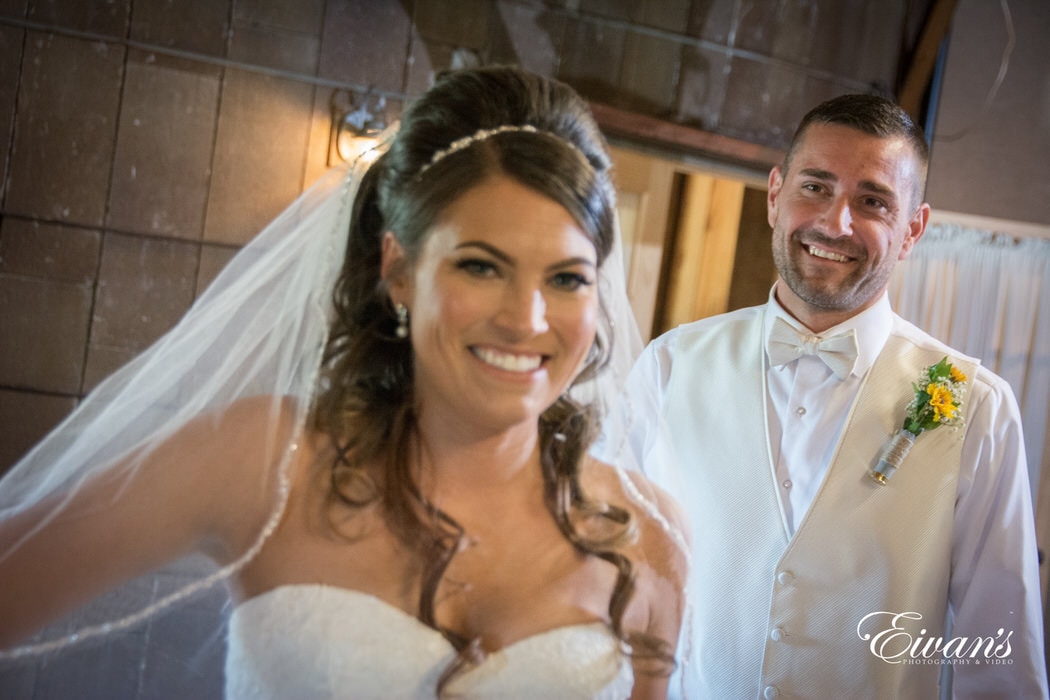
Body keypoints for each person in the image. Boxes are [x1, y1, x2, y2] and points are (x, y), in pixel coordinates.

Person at [0, 66, 687, 699]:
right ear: (398, 269)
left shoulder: (647, 535)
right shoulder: (268, 463)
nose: (526, 319)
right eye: (481, 266)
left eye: (566, 278)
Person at [598, 94, 1048, 698]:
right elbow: (611, 579)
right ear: (774, 194)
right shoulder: (670, 365)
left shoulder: (978, 409)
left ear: (913, 228)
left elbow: (999, 657)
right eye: (815, 186)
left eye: (872, 201)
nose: (835, 223)